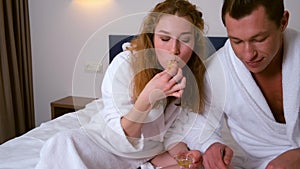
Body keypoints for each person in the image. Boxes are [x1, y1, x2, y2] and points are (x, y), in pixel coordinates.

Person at [35, 0, 211, 168]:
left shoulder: (193, 76)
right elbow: (123, 135)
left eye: (185, 40)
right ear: (151, 38)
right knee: (62, 143)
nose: (174, 50)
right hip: (110, 145)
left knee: (202, 162)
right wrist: (148, 97)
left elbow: (176, 130)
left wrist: (183, 155)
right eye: (165, 39)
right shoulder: (125, 65)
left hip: (150, 154)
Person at [198, 0, 300, 168]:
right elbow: (199, 122)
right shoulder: (217, 71)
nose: (248, 55)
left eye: (259, 39)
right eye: (236, 41)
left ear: (283, 22)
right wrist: (210, 145)